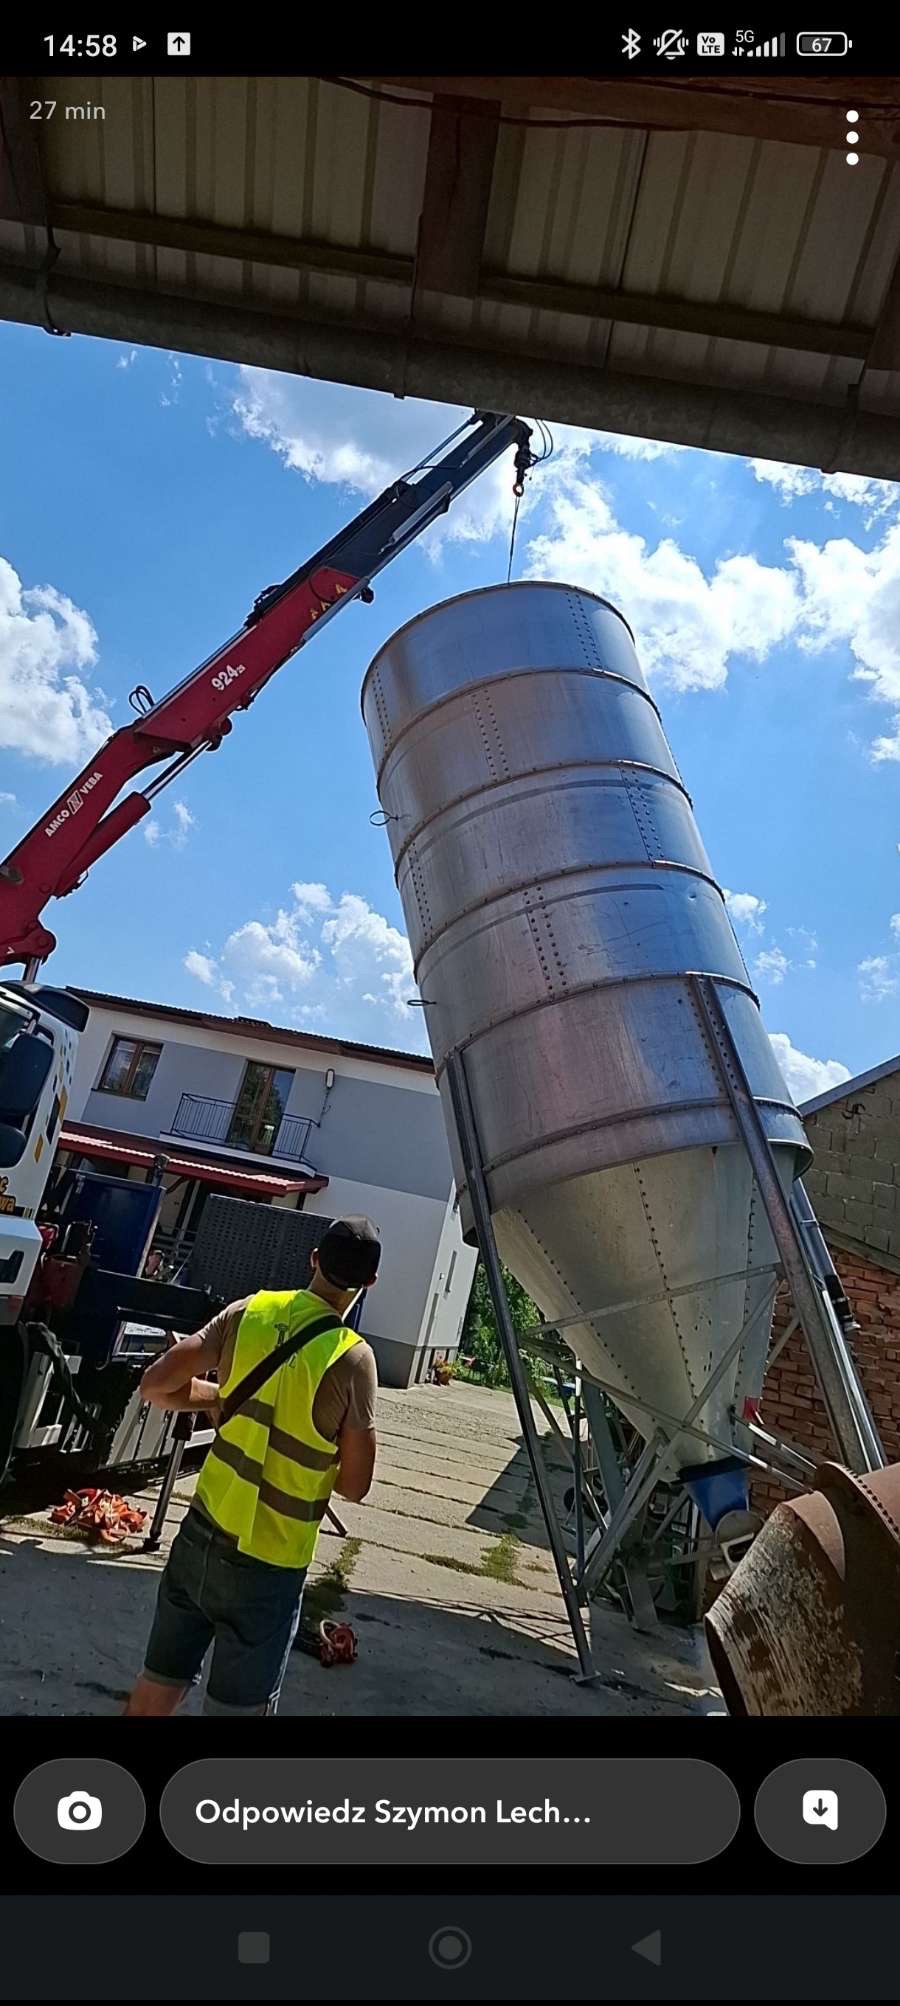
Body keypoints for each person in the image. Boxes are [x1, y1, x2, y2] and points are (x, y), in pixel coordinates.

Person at [124, 1216, 381, 1717]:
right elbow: (355, 1485)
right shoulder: (354, 1361)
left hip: (200, 1536)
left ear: (313, 1259)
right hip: (270, 1565)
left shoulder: (250, 1311)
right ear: (369, 1284)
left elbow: (156, 1385)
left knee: (152, 1696)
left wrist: (219, 1397)